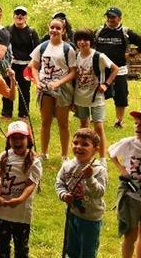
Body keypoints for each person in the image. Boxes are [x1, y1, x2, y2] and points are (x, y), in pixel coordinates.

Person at [0, 121, 42, 258]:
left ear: (28, 139)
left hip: (21, 214)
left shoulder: (34, 161)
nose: (18, 141)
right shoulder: (4, 156)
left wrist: (20, 199)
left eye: (21, 137)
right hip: (1, 211)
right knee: (2, 245)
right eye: (14, 138)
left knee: (21, 248)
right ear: (9, 140)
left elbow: (31, 184)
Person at [31, 17, 77, 160]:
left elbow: (73, 71)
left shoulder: (68, 49)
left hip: (62, 90)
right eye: (52, 27)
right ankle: (44, 153)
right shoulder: (42, 47)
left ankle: (64, 155)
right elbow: (34, 66)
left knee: (63, 123)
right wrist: (37, 81)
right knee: (45, 122)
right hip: (45, 88)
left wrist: (59, 83)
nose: (54, 30)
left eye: (58, 28)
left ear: (63, 31)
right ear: (48, 28)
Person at [56, 128, 107, 258]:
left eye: (85, 144)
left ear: (95, 149)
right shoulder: (67, 165)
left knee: (87, 252)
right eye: (75, 143)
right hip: (71, 213)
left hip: (90, 218)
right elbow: (60, 183)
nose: (79, 147)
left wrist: (90, 178)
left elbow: (99, 192)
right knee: (71, 249)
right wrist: (63, 195)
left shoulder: (99, 170)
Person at [74, 28, 117, 160]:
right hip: (80, 96)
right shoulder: (76, 55)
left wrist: (106, 84)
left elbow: (115, 69)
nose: (82, 42)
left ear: (91, 41)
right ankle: (83, 155)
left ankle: (102, 158)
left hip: (96, 96)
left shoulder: (99, 56)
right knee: (83, 128)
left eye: (86, 40)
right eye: (79, 40)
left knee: (98, 127)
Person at [95, 7, 141, 129]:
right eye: (108, 17)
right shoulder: (99, 31)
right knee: (98, 94)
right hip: (102, 70)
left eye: (113, 17)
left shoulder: (126, 32)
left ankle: (118, 121)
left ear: (119, 18)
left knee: (121, 96)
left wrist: (132, 53)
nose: (110, 19)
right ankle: (96, 118)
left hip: (120, 69)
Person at [108, 111, 141, 258]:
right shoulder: (129, 143)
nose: (138, 127)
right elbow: (111, 152)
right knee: (131, 234)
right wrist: (121, 168)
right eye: (136, 123)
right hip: (131, 194)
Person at [7, 6, 39, 119]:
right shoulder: (8, 30)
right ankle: (6, 112)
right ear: (13, 16)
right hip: (11, 65)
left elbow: (37, 50)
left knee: (25, 90)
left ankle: (23, 113)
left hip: (26, 65)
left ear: (26, 17)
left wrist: (33, 65)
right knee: (8, 88)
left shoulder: (31, 32)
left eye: (22, 14)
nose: (20, 16)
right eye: (17, 13)